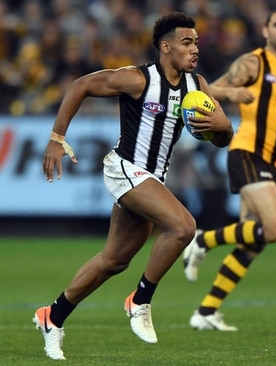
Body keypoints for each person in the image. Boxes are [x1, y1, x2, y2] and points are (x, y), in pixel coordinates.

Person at [34, 12, 233, 360]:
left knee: (114, 261)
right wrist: (56, 138)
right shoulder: (138, 79)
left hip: (153, 178)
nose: (194, 48)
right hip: (125, 168)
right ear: (165, 47)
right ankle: (140, 300)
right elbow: (80, 85)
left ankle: (52, 316)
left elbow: (219, 140)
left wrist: (224, 127)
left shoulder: (197, 87)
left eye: (197, 42)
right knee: (184, 226)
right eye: (187, 42)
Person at [181, 9, 276, 331]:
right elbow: (206, 89)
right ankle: (203, 240)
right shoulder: (252, 63)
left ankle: (205, 311)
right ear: (266, 31)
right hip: (246, 151)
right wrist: (231, 93)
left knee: (253, 242)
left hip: (272, 159)